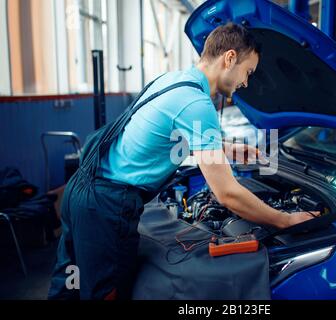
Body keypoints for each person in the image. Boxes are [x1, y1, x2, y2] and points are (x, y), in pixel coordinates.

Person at [48, 22, 317, 300]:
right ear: (230, 58)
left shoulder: (172, 81)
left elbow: (164, 135)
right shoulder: (197, 104)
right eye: (248, 72)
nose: (245, 83)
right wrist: (284, 221)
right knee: (106, 295)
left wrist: (226, 147)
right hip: (107, 206)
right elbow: (227, 194)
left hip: (81, 191)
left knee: (69, 284)